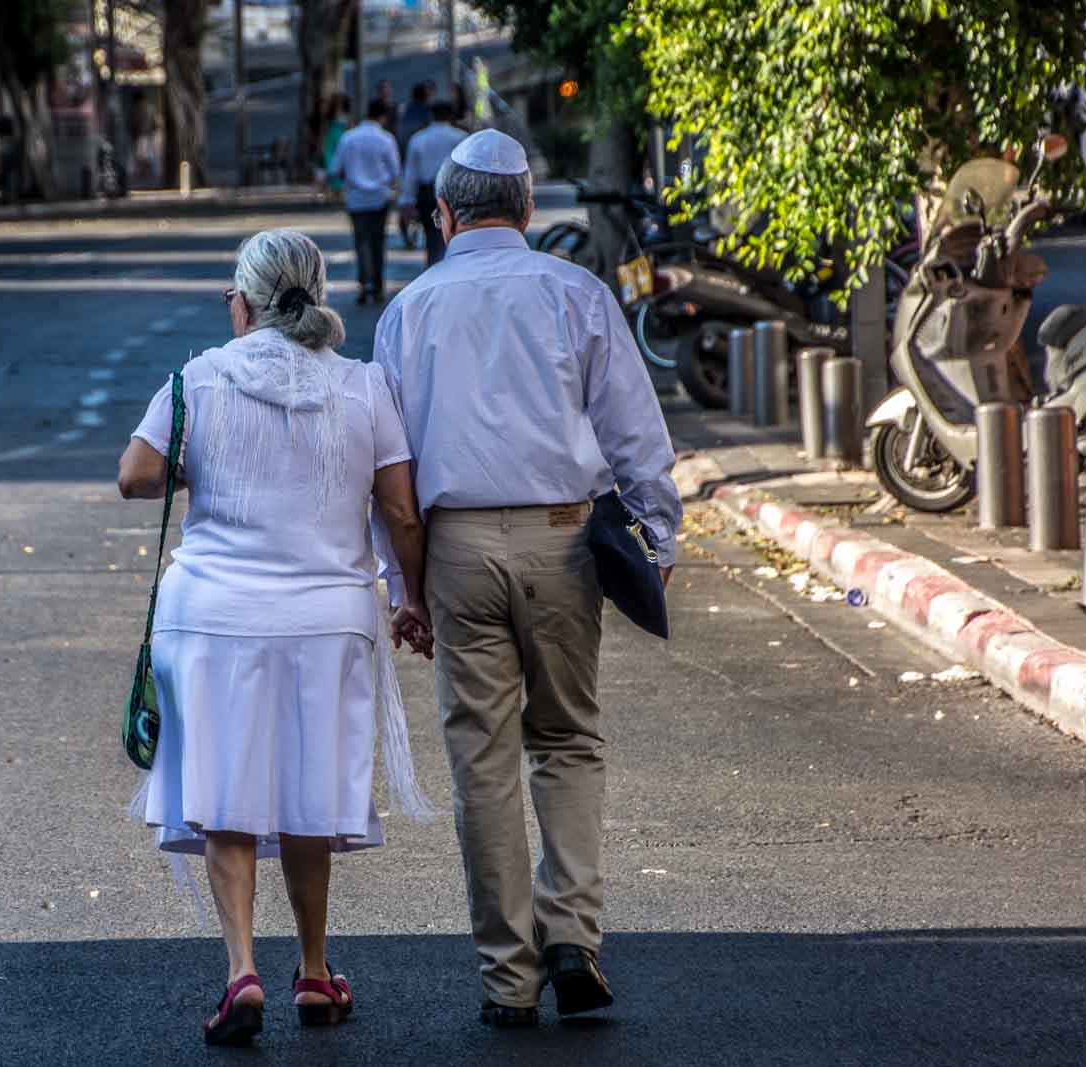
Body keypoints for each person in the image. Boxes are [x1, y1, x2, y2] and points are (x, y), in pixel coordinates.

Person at [371, 130, 682, 1029]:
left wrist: (407, 585)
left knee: (482, 762)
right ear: (528, 209)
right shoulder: (573, 291)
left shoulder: (410, 310)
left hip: (457, 548)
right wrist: (658, 532)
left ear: (443, 215)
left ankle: (507, 977)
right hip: (564, 541)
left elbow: (392, 469)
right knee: (568, 738)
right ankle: (573, 938)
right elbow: (634, 427)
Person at [118, 229, 436, 1047]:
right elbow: (401, 510)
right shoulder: (363, 386)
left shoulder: (198, 379)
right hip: (327, 619)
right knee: (308, 787)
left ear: (242, 301)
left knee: (224, 791)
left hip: (214, 615)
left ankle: (240, 971)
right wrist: (413, 599)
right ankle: (317, 969)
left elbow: (136, 475)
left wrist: (203, 461)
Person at [329, 100, 401, 305]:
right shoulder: (386, 139)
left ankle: (363, 284)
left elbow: (335, 168)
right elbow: (395, 171)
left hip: (355, 198)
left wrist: (349, 179)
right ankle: (378, 285)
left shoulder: (348, 138)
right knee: (378, 241)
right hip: (379, 197)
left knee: (361, 241)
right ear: (383, 117)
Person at [399, 100, 467, 267]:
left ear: (431, 116)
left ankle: (434, 268)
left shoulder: (419, 138)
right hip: (454, 192)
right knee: (454, 237)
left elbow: (411, 173)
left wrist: (407, 201)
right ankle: (450, 268)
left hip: (428, 193)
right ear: (450, 116)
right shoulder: (460, 137)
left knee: (431, 236)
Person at [321, 92, 353, 194]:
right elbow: (325, 132)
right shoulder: (329, 118)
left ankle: (340, 189)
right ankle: (335, 188)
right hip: (331, 143)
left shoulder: (348, 118)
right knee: (331, 164)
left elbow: (351, 130)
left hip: (342, 141)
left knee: (342, 164)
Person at [396, 82, 433, 154]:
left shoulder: (403, 108)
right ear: (425, 96)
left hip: (403, 146)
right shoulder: (427, 111)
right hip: (420, 148)